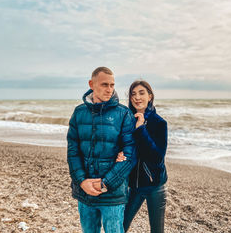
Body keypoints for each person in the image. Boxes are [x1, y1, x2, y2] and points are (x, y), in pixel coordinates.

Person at [67, 67, 137, 233]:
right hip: (84, 192)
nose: (109, 89)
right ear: (92, 84)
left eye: (112, 85)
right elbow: (73, 151)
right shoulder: (79, 113)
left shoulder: (123, 114)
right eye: (104, 84)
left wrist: (105, 183)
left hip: (112, 194)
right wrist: (82, 181)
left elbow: (130, 154)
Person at [117, 80, 168, 233]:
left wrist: (141, 130)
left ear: (150, 96)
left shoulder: (159, 123)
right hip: (134, 186)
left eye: (141, 93)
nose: (137, 97)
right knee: (120, 227)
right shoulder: (127, 121)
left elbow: (157, 158)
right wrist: (119, 153)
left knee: (157, 230)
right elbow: (122, 145)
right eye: (133, 94)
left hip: (155, 186)